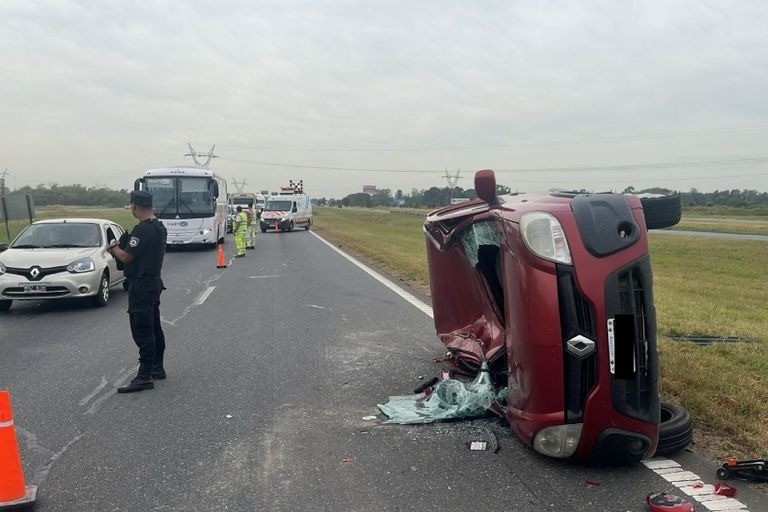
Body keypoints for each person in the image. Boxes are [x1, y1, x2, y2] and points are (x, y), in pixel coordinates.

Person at [107, 190, 168, 393]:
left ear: (135, 206)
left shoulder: (143, 230)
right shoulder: (158, 226)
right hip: (153, 283)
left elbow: (126, 257)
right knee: (154, 327)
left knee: (142, 329)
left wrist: (114, 248)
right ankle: (157, 368)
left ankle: (144, 377)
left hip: (142, 286)